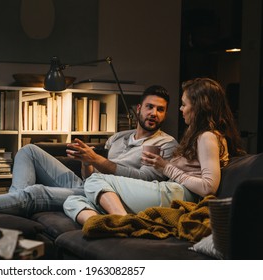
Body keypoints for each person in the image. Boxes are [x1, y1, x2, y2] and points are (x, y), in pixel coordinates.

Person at [0, 85, 178, 217]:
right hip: (89, 184)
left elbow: (146, 181)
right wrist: (87, 159)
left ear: (164, 114)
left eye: (161, 109)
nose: (154, 113)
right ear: (138, 109)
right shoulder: (118, 137)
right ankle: (17, 203)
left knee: (34, 193)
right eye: (149, 107)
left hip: (109, 197)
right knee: (28, 150)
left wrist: (96, 160)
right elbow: (91, 176)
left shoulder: (166, 143)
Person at [63, 77, 246, 225]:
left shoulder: (207, 136)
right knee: (73, 201)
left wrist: (165, 166)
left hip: (180, 194)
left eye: (184, 104)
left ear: (199, 106)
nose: (181, 109)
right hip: (170, 190)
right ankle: (104, 225)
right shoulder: (198, 134)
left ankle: (122, 223)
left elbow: (208, 187)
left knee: (95, 179)